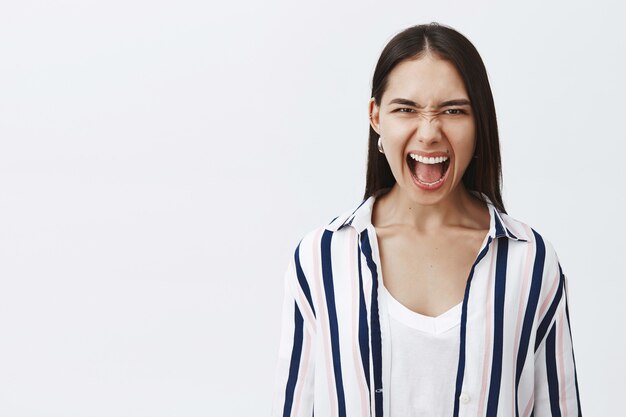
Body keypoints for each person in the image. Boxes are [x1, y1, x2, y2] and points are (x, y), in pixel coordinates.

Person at [271, 22, 582, 417]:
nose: (430, 132)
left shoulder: (531, 262)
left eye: (453, 111)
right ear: (376, 117)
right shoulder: (320, 259)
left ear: (479, 122)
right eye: (406, 109)